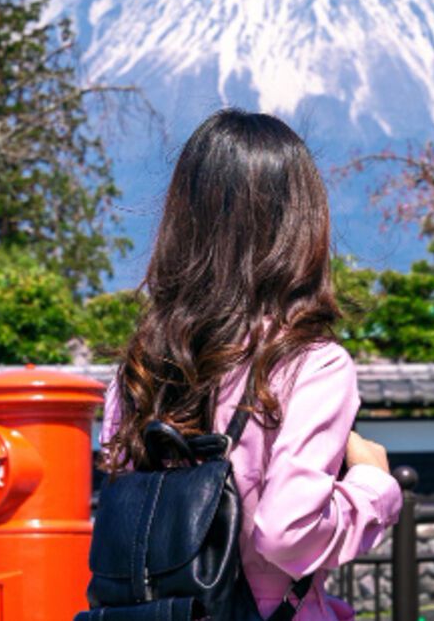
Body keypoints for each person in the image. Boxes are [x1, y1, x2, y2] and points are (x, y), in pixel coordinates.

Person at [99, 109, 401, 621]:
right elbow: (286, 532)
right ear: (300, 223)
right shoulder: (309, 363)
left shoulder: (139, 369)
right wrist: (373, 486)